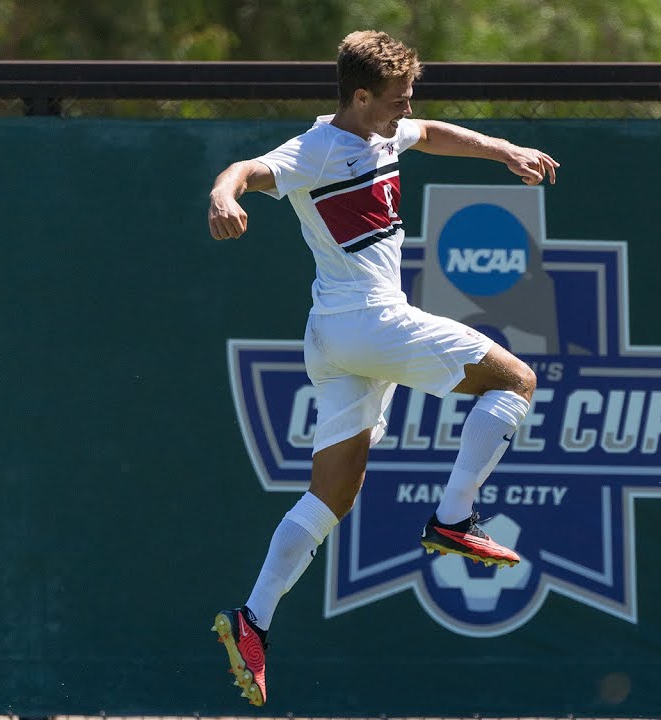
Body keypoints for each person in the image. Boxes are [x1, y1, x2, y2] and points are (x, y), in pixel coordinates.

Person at [205, 30, 559, 707]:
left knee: (331, 495)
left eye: (408, 96)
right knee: (517, 381)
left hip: (335, 338)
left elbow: (427, 134)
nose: (406, 108)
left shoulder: (385, 132)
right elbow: (245, 170)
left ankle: (252, 620)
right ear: (360, 96)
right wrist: (225, 197)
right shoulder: (315, 149)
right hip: (371, 323)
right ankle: (454, 516)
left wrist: (502, 150)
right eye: (395, 99)